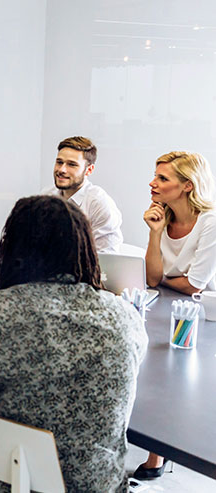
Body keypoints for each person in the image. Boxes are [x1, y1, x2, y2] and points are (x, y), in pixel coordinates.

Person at [0, 195, 148, 492]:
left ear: (12, 248)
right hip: (99, 486)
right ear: (85, 248)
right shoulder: (126, 316)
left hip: (14, 482)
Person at [135, 151, 216, 480]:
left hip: (206, 313)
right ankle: (157, 449)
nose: (153, 183)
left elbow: (195, 284)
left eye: (162, 179)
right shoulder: (161, 216)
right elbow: (153, 278)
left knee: (173, 372)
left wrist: (167, 280)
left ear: (187, 186)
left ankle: (159, 454)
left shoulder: (210, 222)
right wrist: (155, 234)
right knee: (150, 359)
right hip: (169, 303)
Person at [44, 136, 123, 252]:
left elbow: (106, 259)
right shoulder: (47, 196)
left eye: (72, 164)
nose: (62, 170)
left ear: (89, 170)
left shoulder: (99, 204)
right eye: (59, 162)